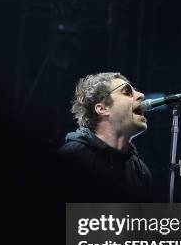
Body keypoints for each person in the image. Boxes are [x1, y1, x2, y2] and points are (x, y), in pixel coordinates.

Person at [59, 72, 153, 202]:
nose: (141, 95)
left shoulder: (140, 171)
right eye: (127, 92)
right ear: (102, 109)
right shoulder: (72, 156)